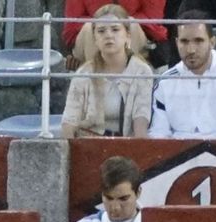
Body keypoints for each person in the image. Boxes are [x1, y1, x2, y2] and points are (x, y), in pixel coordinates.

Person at [148, 13, 216, 138]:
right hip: (177, 156)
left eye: (198, 41)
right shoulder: (164, 83)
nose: (191, 50)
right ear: (176, 43)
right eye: (184, 41)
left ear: (212, 42)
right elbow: (158, 138)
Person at [59, 6, 151, 137]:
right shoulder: (83, 73)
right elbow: (69, 121)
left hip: (129, 148)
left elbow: (141, 119)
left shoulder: (142, 72)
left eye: (115, 29)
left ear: (128, 36)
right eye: (101, 31)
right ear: (95, 39)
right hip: (89, 147)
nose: (108, 35)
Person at [67, 155, 144, 222]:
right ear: (102, 194)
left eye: (123, 199)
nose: (115, 207)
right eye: (109, 198)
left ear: (138, 192)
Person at [63, 0, 164, 62]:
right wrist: (103, 22)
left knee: (131, 24)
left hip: (133, 33)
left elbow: (153, 19)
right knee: (92, 27)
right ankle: (95, 85)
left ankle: (127, 84)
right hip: (90, 37)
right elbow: (71, 27)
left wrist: (118, 21)